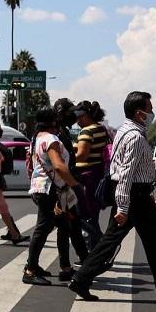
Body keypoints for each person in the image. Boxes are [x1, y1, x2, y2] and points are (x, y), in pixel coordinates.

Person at [70, 92, 156, 302]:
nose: (152, 112)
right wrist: (123, 208)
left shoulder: (125, 130)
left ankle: (81, 279)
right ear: (139, 113)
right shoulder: (135, 136)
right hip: (134, 196)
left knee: (111, 242)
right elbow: (126, 174)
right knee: (154, 244)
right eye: (149, 109)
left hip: (133, 194)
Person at [22, 108, 82, 285]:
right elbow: (59, 166)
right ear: (53, 122)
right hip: (51, 190)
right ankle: (30, 270)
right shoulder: (51, 139)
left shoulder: (37, 138)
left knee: (64, 226)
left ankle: (65, 267)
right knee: (43, 228)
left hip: (44, 188)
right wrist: (75, 185)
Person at [53, 98, 89, 264]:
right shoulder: (56, 134)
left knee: (72, 224)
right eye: (70, 112)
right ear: (61, 113)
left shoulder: (64, 131)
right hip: (61, 185)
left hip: (67, 183)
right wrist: (66, 186)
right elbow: (59, 163)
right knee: (56, 226)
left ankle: (83, 258)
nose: (73, 115)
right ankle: (65, 266)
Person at [73, 100, 109, 249]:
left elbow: (81, 155)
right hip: (97, 173)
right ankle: (96, 248)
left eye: (80, 117)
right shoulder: (101, 128)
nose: (77, 120)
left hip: (87, 177)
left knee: (84, 216)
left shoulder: (87, 131)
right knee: (92, 214)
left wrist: (63, 158)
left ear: (87, 116)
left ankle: (99, 247)